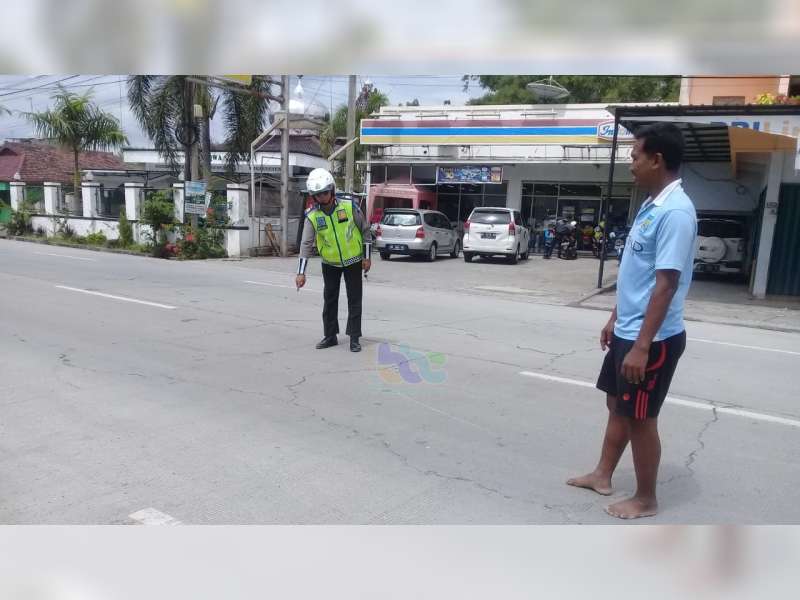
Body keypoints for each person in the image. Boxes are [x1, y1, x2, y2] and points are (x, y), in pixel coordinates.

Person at [566, 122, 697, 519]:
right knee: (616, 404)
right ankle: (603, 475)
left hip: (652, 340)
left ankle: (646, 498)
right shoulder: (652, 203)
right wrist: (614, 316)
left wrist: (641, 344)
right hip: (628, 328)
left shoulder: (675, 212)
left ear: (657, 160)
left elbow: (665, 284)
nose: (630, 164)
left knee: (641, 418)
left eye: (635, 156)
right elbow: (636, 273)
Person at [295, 168, 372, 352]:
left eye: (324, 192)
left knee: (354, 299)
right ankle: (330, 336)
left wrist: (367, 257)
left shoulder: (349, 206)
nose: (321, 197)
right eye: (317, 194)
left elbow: (365, 231)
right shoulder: (312, 216)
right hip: (329, 264)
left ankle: (354, 338)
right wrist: (301, 272)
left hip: (353, 261)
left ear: (332, 190)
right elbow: (306, 244)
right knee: (329, 300)